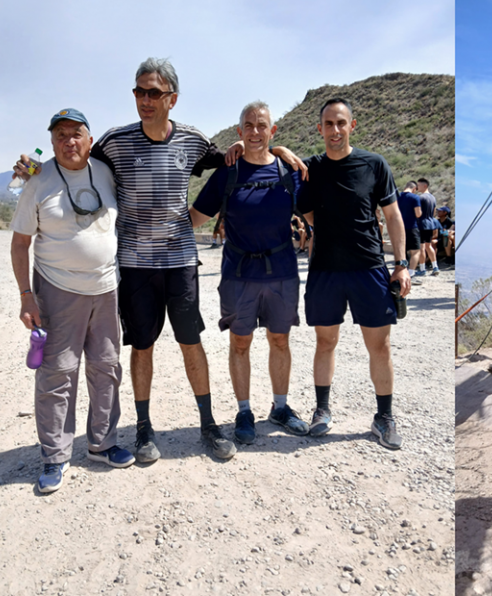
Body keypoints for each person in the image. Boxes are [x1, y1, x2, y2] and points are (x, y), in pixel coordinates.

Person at [15, 57, 305, 463]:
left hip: (181, 261)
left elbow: (243, 154)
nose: (144, 99)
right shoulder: (115, 141)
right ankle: (145, 430)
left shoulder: (192, 140)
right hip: (134, 265)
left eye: (153, 92)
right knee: (143, 347)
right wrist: (31, 167)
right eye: (138, 91)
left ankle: (208, 424)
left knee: (192, 343)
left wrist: (277, 147)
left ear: (172, 98)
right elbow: (73, 156)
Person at [10, 108, 133, 493]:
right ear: (51, 142)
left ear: (89, 139)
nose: (69, 141)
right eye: (60, 135)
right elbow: (19, 243)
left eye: (76, 133)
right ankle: (55, 455)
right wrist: (26, 296)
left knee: (106, 366)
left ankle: (102, 443)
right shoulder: (37, 178)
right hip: (57, 289)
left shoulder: (106, 172)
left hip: (106, 288)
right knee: (58, 374)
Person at [189, 100, 311, 445]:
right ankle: (244, 411)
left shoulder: (288, 172)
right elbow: (195, 217)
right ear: (239, 131)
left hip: (283, 272)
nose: (255, 132)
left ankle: (281, 408)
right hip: (239, 274)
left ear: (272, 131)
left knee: (280, 340)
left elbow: (317, 213)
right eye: (248, 126)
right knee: (240, 343)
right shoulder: (227, 173)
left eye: (262, 126)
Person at [297, 98, 411, 450]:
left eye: (341, 123)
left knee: (379, 346)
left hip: (369, 269)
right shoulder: (311, 169)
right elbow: (306, 210)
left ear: (352, 125)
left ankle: (384, 417)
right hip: (326, 271)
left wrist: (402, 264)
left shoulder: (374, 165)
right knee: (325, 343)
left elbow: (393, 216)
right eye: (328, 124)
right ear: (320, 128)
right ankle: (321, 410)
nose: (335, 130)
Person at [396, 180, 424, 276]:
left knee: (402, 252)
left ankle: (401, 272)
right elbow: (418, 214)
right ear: (414, 189)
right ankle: (411, 273)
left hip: (398, 227)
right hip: (411, 227)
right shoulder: (415, 197)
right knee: (415, 252)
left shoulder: (397, 196)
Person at [416, 178, 442, 276]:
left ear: (425, 186)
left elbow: (417, 212)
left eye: (418, 185)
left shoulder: (420, 197)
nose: (417, 187)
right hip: (430, 223)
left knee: (421, 248)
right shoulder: (433, 198)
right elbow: (434, 212)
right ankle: (435, 266)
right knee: (429, 246)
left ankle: (422, 269)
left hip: (422, 224)